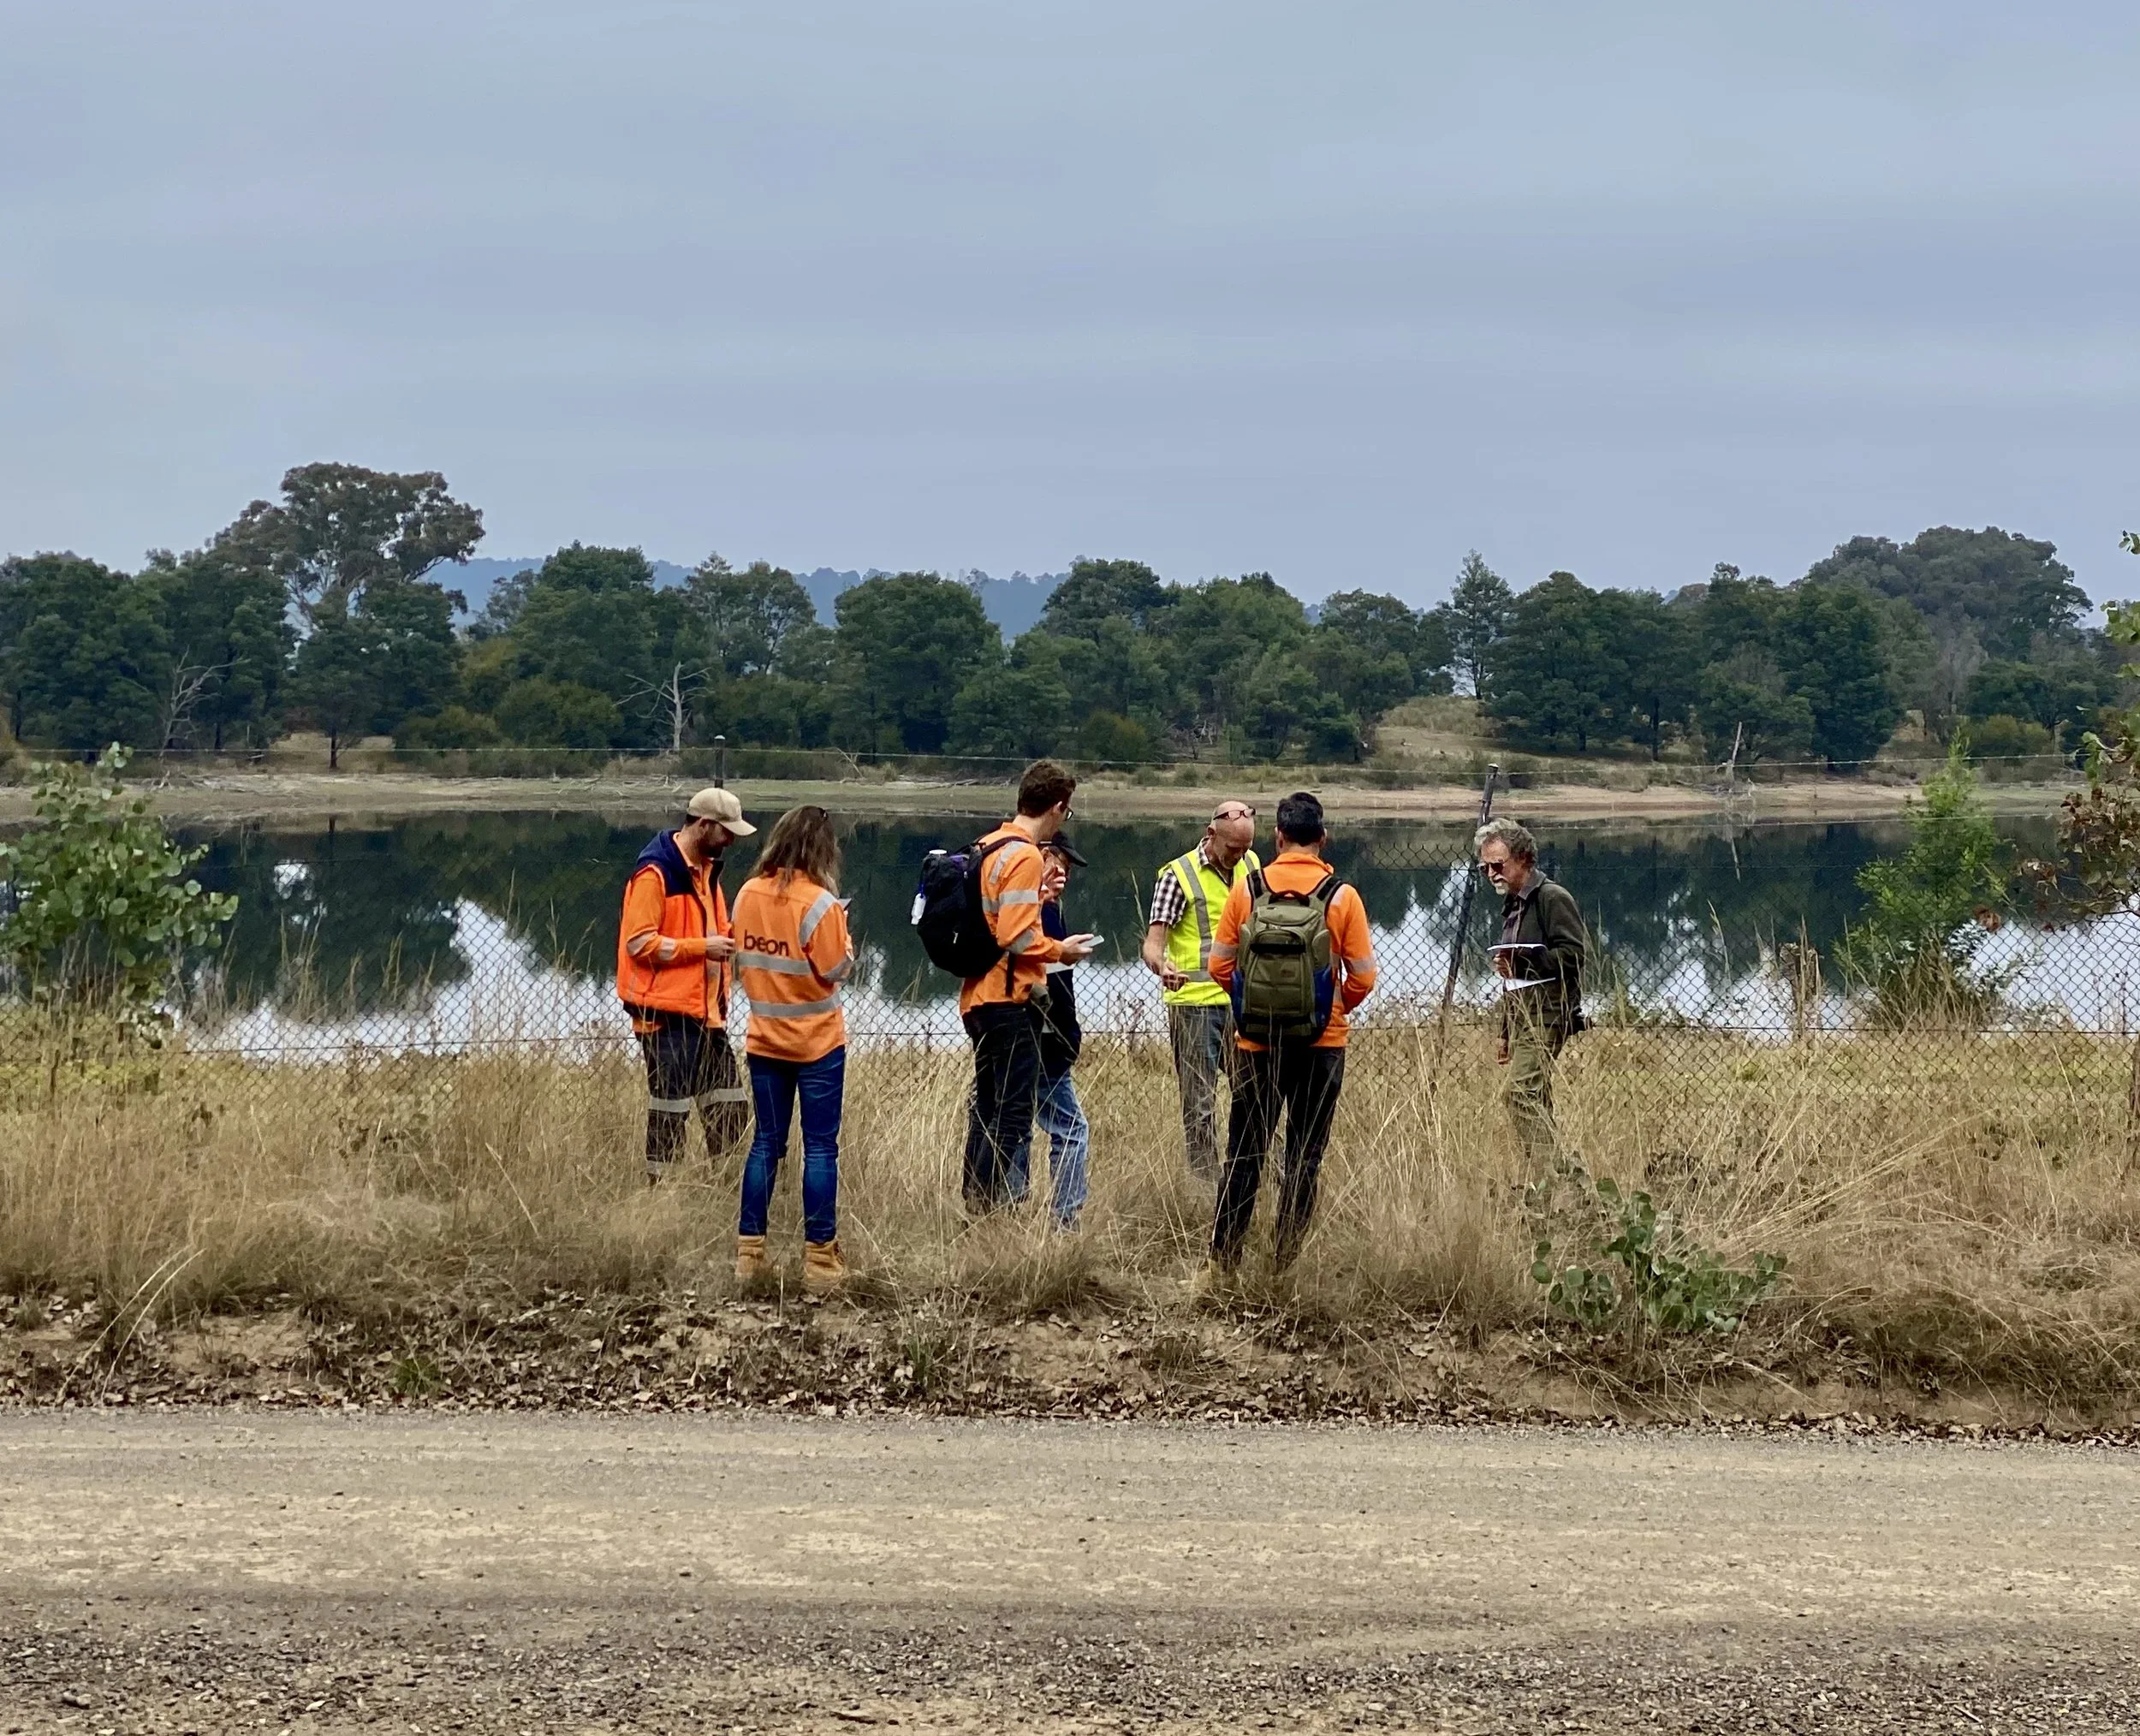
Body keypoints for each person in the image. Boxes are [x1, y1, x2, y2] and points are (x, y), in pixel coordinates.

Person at [1204, 791, 1376, 1276]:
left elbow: (1219, 965)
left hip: (1257, 1044)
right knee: (1304, 1155)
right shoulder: (1343, 897)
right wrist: (1328, 1008)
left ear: (1278, 837)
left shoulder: (1247, 890)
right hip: (1322, 1046)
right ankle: (1283, 1263)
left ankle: (1223, 1262)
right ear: (1322, 839)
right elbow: (1362, 977)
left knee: (1244, 1153)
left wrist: (1252, 1006)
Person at [960, 760, 1100, 1212]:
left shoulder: (988, 845)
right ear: (1058, 807)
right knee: (1012, 1116)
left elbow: (994, 920)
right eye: (1068, 811)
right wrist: (1062, 951)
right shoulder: (1023, 854)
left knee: (987, 1110)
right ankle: (991, 1210)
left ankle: (976, 1205)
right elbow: (1016, 936)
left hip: (978, 996)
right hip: (1008, 1000)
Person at [731, 805, 853, 1292]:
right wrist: (845, 941)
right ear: (822, 850)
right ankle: (821, 1262)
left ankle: (750, 1255)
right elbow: (835, 970)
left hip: (764, 1041)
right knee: (820, 1148)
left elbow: (744, 957)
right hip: (818, 1044)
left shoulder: (746, 895)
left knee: (766, 1144)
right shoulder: (821, 904)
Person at [615, 787, 752, 1183]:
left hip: (706, 1015)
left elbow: (714, 931)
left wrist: (740, 935)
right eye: (726, 832)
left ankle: (724, 1191)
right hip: (665, 1017)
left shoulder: (707, 872)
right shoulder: (655, 872)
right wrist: (703, 948)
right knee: (670, 1114)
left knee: (729, 1109)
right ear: (704, 825)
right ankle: (660, 1198)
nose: (730, 841)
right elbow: (639, 943)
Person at [1141, 799, 1261, 1180]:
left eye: (1245, 848)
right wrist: (1161, 965)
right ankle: (1205, 1187)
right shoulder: (1177, 875)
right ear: (1211, 834)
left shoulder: (1254, 866)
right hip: (1194, 1006)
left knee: (1257, 1095)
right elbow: (1152, 943)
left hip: (1243, 1003)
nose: (1239, 856)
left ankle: (1255, 1178)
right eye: (1232, 849)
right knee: (1200, 1105)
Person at [1475, 817, 1588, 1168]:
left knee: (1520, 1094)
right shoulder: (1513, 901)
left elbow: (1574, 956)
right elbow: (1514, 979)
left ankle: (1555, 1179)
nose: (1491, 874)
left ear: (1523, 859)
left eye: (1497, 865)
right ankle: (1557, 1186)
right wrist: (1506, 1033)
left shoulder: (1552, 897)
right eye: (1484, 868)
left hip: (1549, 1012)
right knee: (1536, 1095)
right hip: (1522, 1015)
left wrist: (1523, 961)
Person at [1007, 836, 1091, 1228]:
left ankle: (1007, 1207)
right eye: (1055, 865)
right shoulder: (1034, 914)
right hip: (1042, 1037)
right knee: (1071, 1129)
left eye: (1067, 871)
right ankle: (1065, 1222)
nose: (1062, 876)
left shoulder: (1040, 910)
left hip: (1032, 1036)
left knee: (1016, 1120)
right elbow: (1047, 985)